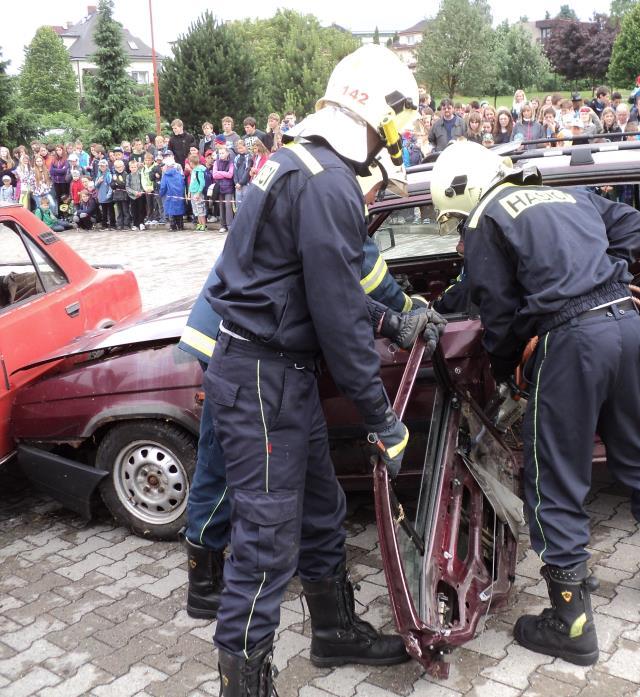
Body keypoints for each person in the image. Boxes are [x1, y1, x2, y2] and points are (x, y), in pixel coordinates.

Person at [203, 44, 424, 694]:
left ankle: (333, 634)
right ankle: (244, 682)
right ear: (373, 109)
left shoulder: (293, 162)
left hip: (271, 373)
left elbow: (315, 283)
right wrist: (382, 418)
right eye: (397, 118)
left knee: (321, 509)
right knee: (266, 541)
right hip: (264, 380)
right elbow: (332, 312)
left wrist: (390, 320)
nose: (397, 135)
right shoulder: (328, 182)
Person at [429, 141, 640, 667]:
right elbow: (635, 225)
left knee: (553, 477)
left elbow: (497, 315)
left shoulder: (486, 218)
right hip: (624, 325)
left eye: (455, 218)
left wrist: (505, 376)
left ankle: (572, 624)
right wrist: (604, 274)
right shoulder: (564, 194)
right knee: (635, 449)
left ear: (466, 191)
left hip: (572, 344)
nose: (459, 229)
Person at [213, 145, 236, 232]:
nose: (221, 155)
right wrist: (224, 173)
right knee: (221, 206)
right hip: (219, 187)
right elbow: (214, 175)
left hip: (229, 187)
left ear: (227, 153)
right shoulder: (216, 162)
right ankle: (223, 225)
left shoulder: (231, 162)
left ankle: (230, 225)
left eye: (223, 153)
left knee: (228, 206)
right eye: (220, 153)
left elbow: (230, 175)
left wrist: (220, 173)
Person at [160, 157, 186, 230]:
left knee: (171, 211)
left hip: (169, 196)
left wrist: (161, 194)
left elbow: (163, 187)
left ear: (167, 166)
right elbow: (183, 184)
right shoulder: (179, 174)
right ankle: (180, 226)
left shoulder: (166, 176)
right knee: (179, 210)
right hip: (179, 196)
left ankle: (173, 226)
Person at [188, 154, 208, 231]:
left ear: (192, 163)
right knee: (195, 210)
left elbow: (202, 183)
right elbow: (192, 182)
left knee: (200, 209)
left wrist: (198, 193)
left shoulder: (199, 171)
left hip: (198, 193)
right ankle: (199, 224)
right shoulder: (193, 171)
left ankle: (204, 225)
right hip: (193, 192)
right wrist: (189, 192)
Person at [110, 159, 129, 229]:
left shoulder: (126, 174)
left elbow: (124, 184)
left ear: (123, 167)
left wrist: (116, 181)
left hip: (124, 195)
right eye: (117, 167)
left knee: (125, 210)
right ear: (115, 168)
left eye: (120, 167)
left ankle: (126, 224)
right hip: (117, 196)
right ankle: (120, 224)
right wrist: (115, 183)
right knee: (119, 210)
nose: (119, 168)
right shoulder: (114, 175)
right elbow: (112, 185)